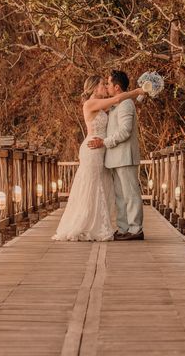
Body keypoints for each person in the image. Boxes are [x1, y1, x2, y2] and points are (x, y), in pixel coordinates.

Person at [52, 75, 144, 241]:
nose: (105, 87)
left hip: (103, 149)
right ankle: (86, 224)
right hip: (93, 149)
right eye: (103, 84)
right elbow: (118, 98)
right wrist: (137, 91)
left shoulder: (103, 107)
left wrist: (141, 95)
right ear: (94, 88)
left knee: (102, 187)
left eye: (106, 84)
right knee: (92, 186)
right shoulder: (91, 103)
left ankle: (100, 224)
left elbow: (122, 106)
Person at [88, 70, 144, 241]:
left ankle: (136, 230)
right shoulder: (114, 105)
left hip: (125, 156)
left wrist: (104, 142)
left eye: (109, 84)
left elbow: (125, 131)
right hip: (115, 157)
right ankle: (123, 228)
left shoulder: (126, 104)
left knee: (131, 194)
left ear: (117, 87)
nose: (107, 86)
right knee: (120, 196)